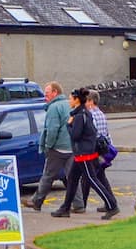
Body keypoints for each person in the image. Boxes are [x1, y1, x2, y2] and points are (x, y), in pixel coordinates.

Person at [51, 88, 119, 219]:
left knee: (92, 180)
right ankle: (65, 208)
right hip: (82, 153)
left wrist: (69, 125)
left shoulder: (79, 116)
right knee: (72, 179)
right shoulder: (84, 113)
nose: (69, 101)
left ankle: (112, 205)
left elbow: (75, 136)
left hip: (84, 154)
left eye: (70, 98)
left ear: (76, 100)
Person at [26, 81, 73, 211]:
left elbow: (52, 129)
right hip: (71, 147)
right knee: (72, 177)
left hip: (57, 148)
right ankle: (78, 204)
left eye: (47, 93)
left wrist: (48, 146)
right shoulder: (69, 104)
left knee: (47, 175)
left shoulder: (54, 107)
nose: (45, 96)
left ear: (55, 93)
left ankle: (36, 201)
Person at [76, 90, 115, 212]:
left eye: (86, 101)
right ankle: (109, 203)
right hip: (103, 150)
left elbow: (92, 134)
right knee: (95, 177)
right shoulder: (101, 114)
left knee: (90, 178)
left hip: (93, 151)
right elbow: (106, 134)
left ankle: (110, 204)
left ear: (91, 101)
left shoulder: (90, 115)